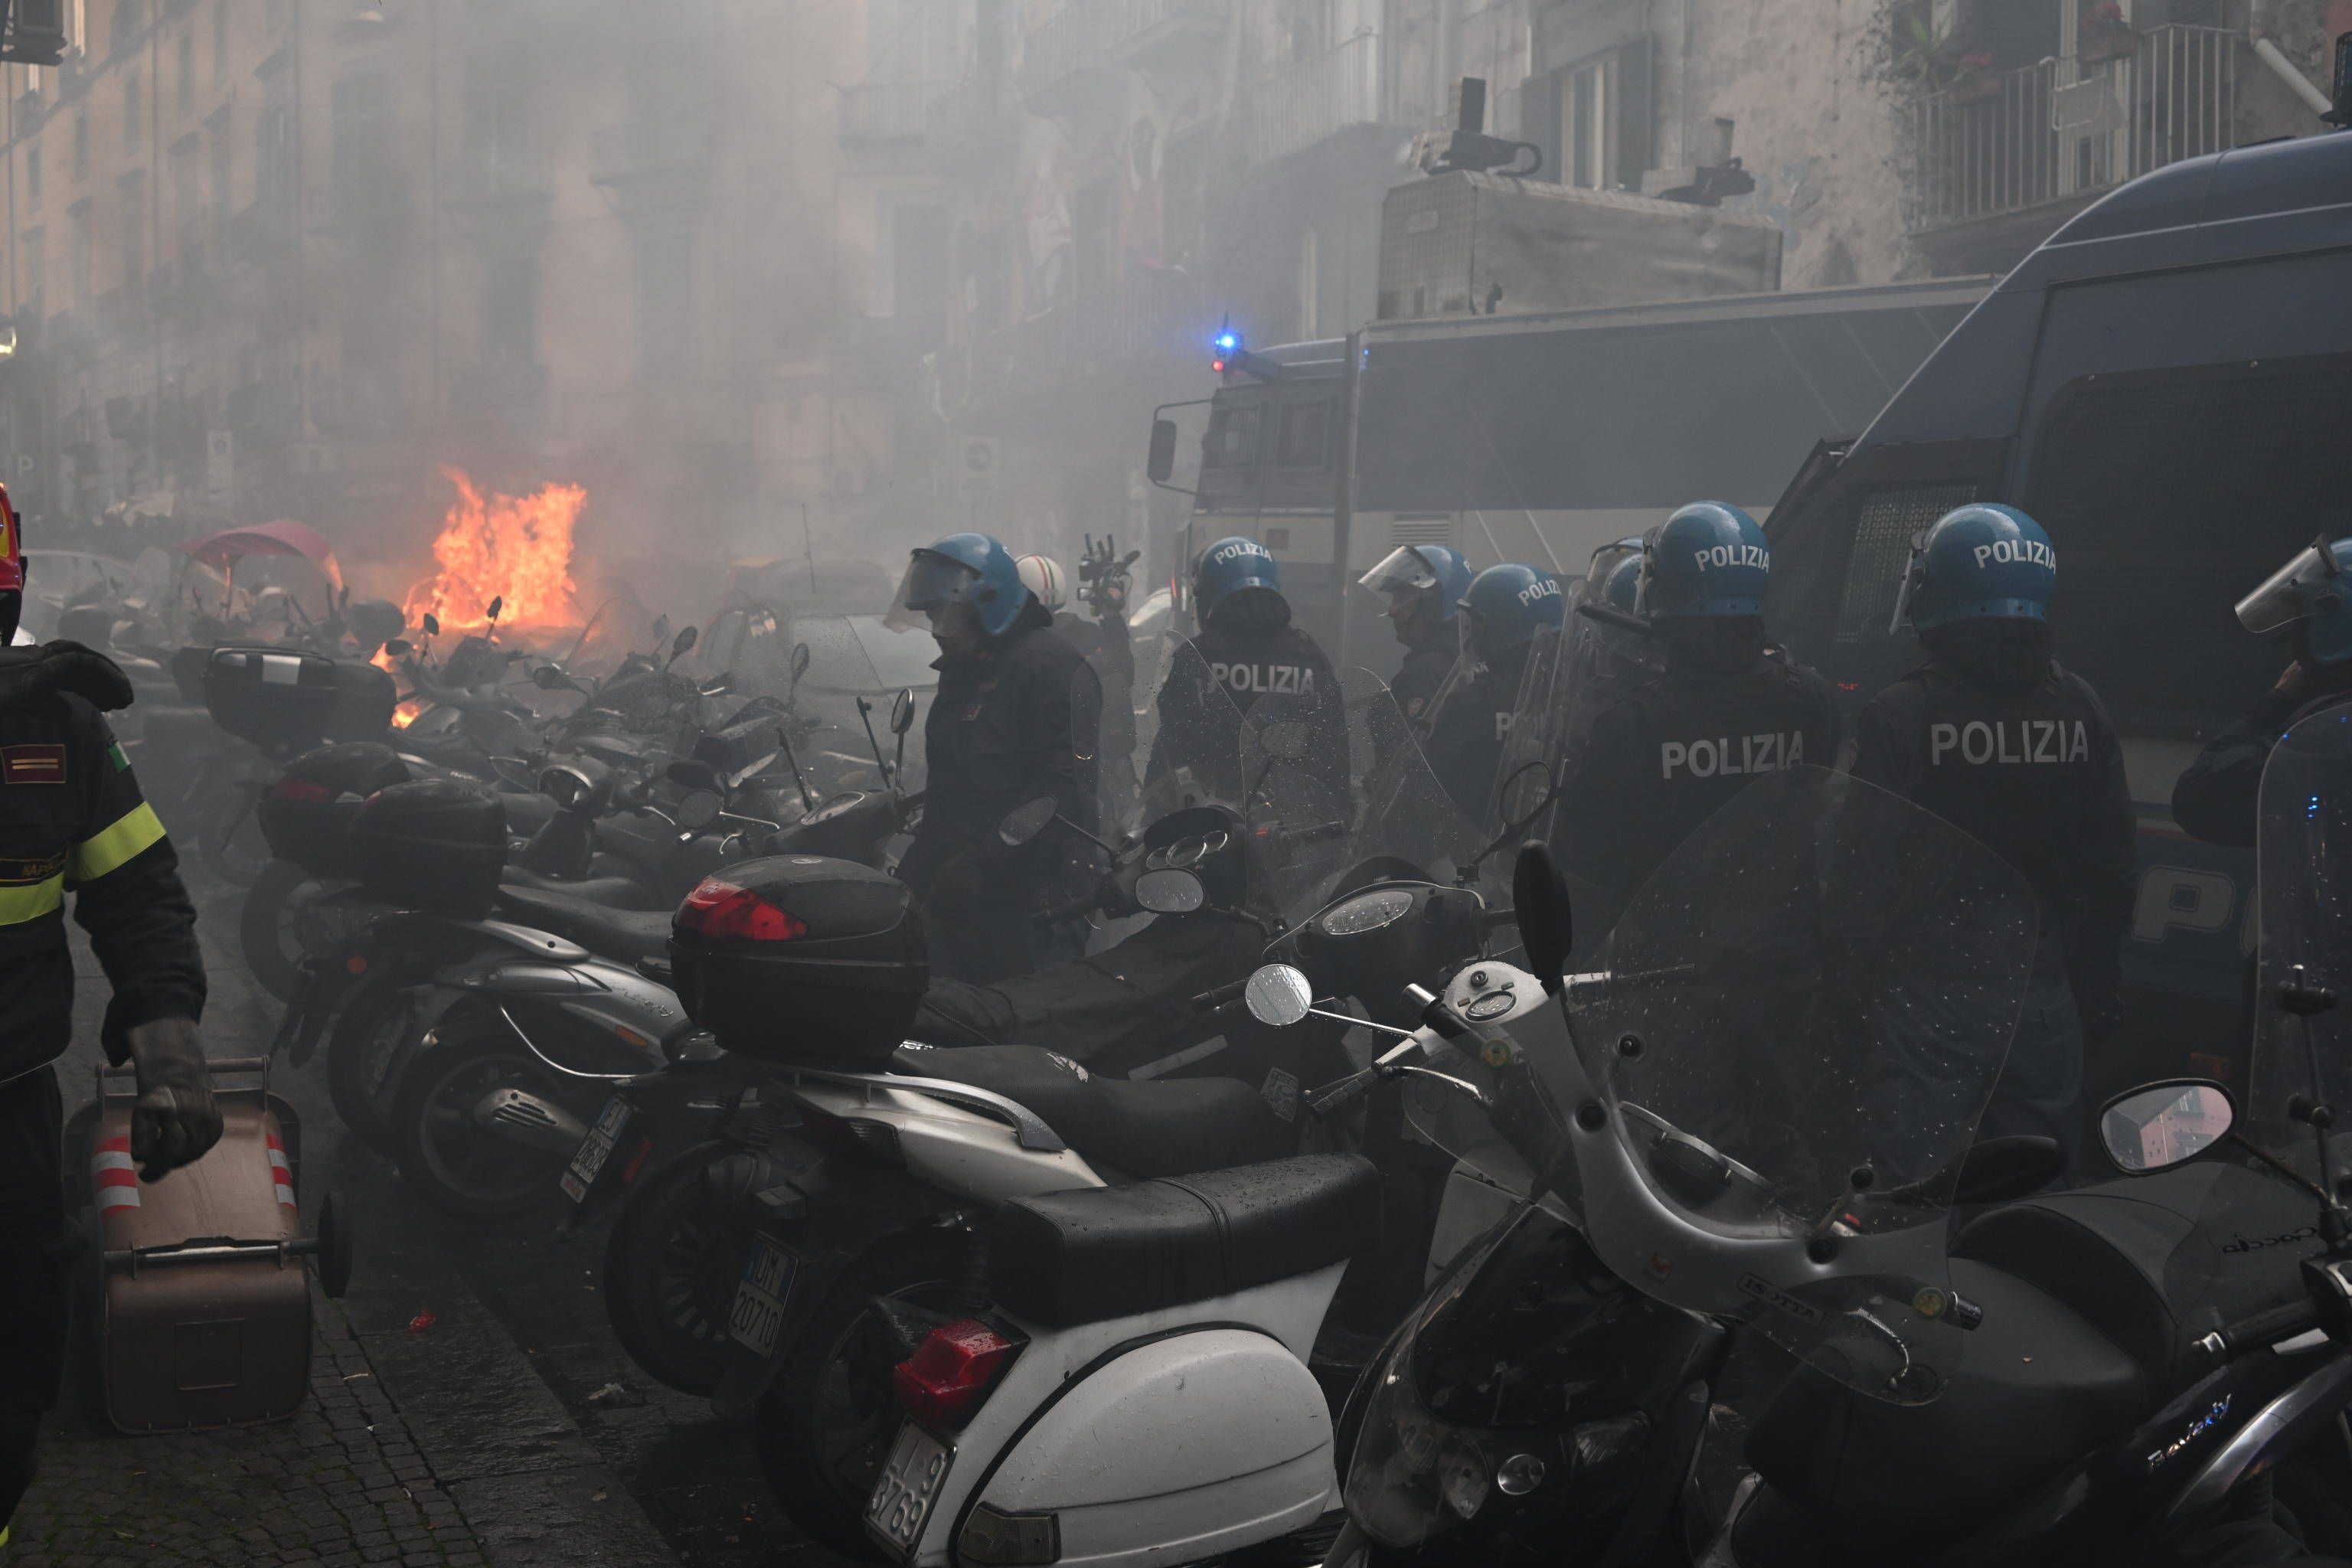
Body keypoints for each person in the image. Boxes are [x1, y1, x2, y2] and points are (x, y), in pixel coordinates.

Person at [0, 503, 217, 1544]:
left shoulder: (55, 731)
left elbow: (138, 895)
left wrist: (168, 1042)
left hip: (8, 1107)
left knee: (13, 1358)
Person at [1851, 503, 2135, 1161]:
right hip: (2041, 993)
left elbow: (1861, 878)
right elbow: (2114, 865)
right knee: (2035, 1183)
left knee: (1914, 1194)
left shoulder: (1900, 715)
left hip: (1925, 997)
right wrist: (2092, 984)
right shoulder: (2081, 706)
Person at [1551, 501, 1840, 916]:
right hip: (1787, 961)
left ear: (1664, 589)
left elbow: (1581, 866)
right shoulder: (1809, 699)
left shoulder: (1632, 727)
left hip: (1664, 966)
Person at [889, 532, 1101, 985]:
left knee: (1021, 1036)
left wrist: (978, 863)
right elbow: (953, 788)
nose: (938, 632)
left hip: (1036, 902)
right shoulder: (964, 669)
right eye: (931, 618)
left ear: (988, 604)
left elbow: (1060, 794)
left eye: (945, 616)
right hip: (968, 901)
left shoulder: (1050, 668)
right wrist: (916, 872)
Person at [2174, 533, 2352, 847]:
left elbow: (2196, 795)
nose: (2295, 642)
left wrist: (2278, 702)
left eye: (2306, 619)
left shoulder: (2328, 735)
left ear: (2336, 623)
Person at [1146, 535, 1341, 809]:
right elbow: (1334, 754)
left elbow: (1169, 754)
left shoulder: (1196, 658)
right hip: (1294, 828)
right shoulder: (1310, 657)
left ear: (1209, 596)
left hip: (1211, 827)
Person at [1423, 564, 1562, 823]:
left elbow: (1428, 794)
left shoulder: (1470, 706)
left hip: (1479, 854)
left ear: (1491, 628)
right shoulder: (1573, 699)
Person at [1018, 551, 1136, 822]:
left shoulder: (1026, 646)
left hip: (1054, 783)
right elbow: (1125, 669)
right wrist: (1112, 615)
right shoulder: (1091, 635)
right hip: (1109, 774)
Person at [1356, 544, 1473, 728]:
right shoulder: (1464, 660)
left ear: (1434, 605)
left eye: (1403, 596)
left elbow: (1405, 753)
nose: (1393, 610)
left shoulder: (1425, 673)